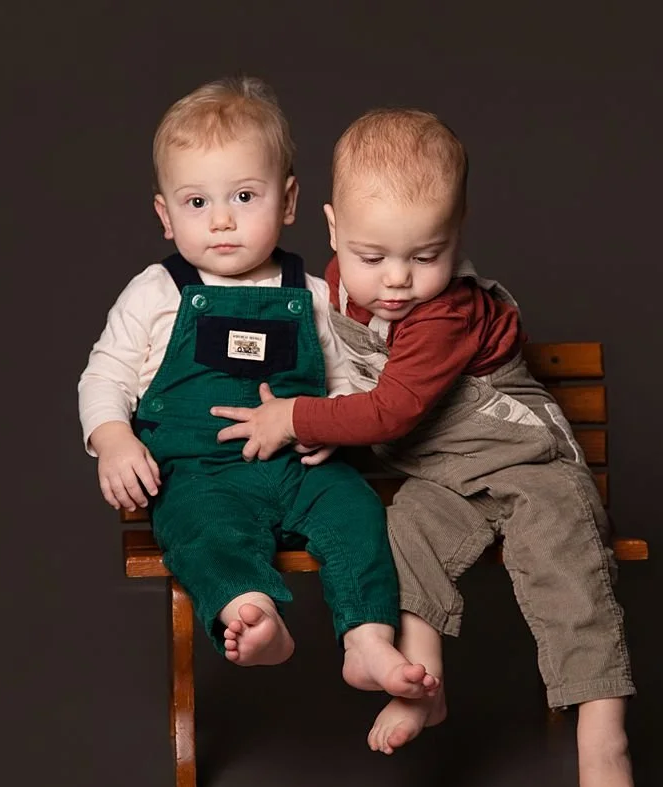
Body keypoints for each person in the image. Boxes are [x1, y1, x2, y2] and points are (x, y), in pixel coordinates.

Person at [210, 108, 635, 787]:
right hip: (439, 476)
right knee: (404, 532)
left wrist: (297, 417)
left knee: (568, 570)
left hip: (522, 458)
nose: (398, 280)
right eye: (373, 257)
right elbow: (340, 374)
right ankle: (423, 684)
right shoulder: (339, 286)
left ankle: (602, 735)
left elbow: (392, 410)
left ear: (456, 235)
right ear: (332, 228)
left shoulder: (447, 314)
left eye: (426, 256)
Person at [77, 79, 436, 700]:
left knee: (358, 516)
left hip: (300, 468)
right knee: (201, 532)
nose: (221, 219)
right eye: (196, 203)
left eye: (244, 195)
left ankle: (368, 637)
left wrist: (331, 424)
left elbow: (351, 379)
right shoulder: (157, 292)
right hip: (201, 474)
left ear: (289, 200)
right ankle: (253, 614)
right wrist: (112, 437)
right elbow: (104, 374)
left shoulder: (315, 293)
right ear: (164, 214)